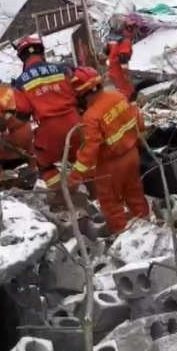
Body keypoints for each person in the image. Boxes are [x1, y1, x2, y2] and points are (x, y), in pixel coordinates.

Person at [67, 66, 149, 232]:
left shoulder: (91, 116)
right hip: (132, 155)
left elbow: (90, 150)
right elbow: (138, 121)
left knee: (110, 204)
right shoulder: (118, 96)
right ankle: (147, 229)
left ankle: (123, 238)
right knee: (135, 195)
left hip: (111, 166)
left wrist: (74, 178)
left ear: (82, 94)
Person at [11, 36, 82, 191]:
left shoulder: (20, 82)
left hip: (50, 131)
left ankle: (63, 196)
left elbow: (23, 115)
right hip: (75, 123)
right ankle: (95, 195)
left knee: (44, 163)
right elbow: (79, 94)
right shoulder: (62, 70)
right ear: (41, 52)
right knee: (84, 160)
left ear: (22, 57)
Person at [105, 16, 138, 101]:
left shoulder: (115, 38)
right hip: (119, 72)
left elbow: (106, 50)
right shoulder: (126, 41)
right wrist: (125, 73)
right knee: (127, 92)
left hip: (111, 71)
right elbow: (123, 57)